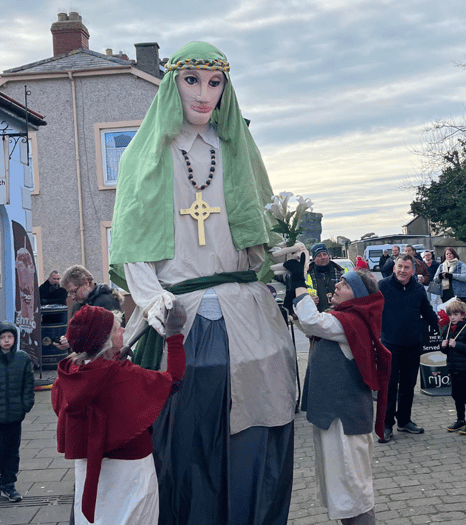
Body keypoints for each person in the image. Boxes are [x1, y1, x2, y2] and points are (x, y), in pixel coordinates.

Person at [109, 41, 297, 525]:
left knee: (255, 437)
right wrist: (153, 304)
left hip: (247, 320)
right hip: (178, 320)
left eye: (215, 83)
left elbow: (256, 237)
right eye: (191, 80)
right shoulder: (144, 157)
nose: (203, 94)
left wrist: (278, 256)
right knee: (181, 449)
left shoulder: (235, 151)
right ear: (173, 84)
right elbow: (132, 246)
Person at [52, 304, 186, 525]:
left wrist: (108, 359)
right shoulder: (123, 376)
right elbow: (174, 379)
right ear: (104, 340)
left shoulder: (66, 376)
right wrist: (174, 334)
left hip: (88, 470)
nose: (123, 330)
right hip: (130, 471)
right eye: (116, 329)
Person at [285, 256, 391, 525]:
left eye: (344, 283)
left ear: (356, 294)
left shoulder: (351, 322)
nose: (337, 284)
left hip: (345, 418)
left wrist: (299, 282)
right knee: (341, 484)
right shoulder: (345, 320)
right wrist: (291, 292)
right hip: (337, 416)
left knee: (353, 486)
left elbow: (312, 322)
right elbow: (309, 323)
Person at [378, 254, 439, 443]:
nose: (402, 271)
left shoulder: (418, 289)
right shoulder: (383, 287)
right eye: (399, 267)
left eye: (406, 267)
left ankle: (404, 421)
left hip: (413, 345)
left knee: (408, 386)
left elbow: (427, 312)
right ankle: (386, 425)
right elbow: (371, 311)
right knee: (389, 387)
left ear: (413, 271)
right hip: (389, 345)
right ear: (394, 268)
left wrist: (443, 330)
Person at [0, 321, 33, 503]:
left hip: (14, 415)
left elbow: (28, 384)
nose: (6, 341)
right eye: (3, 337)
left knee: (12, 451)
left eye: (10, 337)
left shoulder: (22, 358)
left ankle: (8, 484)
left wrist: (25, 405)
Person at [441, 300, 466, 435]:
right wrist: (443, 345)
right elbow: (445, 351)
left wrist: (457, 345)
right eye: (450, 315)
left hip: (465, 368)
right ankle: (460, 419)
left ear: (462, 315)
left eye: (456, 314)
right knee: (456, 394)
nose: (453, 317)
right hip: (453, 367)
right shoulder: (448, 329)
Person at [308, 243, 345, 312]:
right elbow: (300, 295)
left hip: (338, 313)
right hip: (317, 315)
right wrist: (308, 300)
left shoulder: (340, 272)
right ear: (314, 259)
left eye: (325, 254)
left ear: (328, 256)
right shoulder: (307, 275)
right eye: (319, 255)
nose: (323, 257)